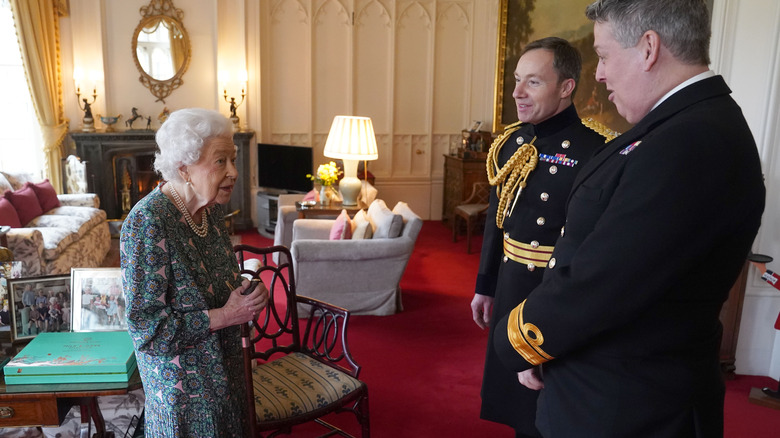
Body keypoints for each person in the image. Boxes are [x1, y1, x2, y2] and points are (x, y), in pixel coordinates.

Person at [493, 1, 766, 437]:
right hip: (612, 393)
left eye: (603, 56)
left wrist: (519, 341)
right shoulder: (682, 125)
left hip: (627, 408)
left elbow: (603, 279)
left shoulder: (688, 142)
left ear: (648, 48)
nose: (598, 75)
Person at [470, 37, 612, 438]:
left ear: (566, 87)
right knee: (514, 403)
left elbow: (588, 248)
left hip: (553, 292)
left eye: (532, 82)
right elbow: (497, 222)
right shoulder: (510, 142)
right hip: (513, 284)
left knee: (546, 407)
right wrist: (486, 285)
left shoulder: (596, 150)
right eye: (517, 80)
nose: (517, 92)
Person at [120, 108, 269, 437]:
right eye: (220, 161)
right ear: (184, 168)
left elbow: (221, 285)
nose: (233, 172)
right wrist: (228, 315)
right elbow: (148, 330)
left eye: (233, 159)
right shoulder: (148, 222)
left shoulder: (211, 210)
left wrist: (249, 290)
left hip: (227, 379)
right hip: (185, 399)